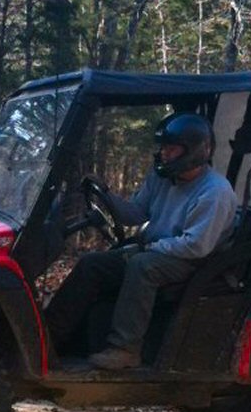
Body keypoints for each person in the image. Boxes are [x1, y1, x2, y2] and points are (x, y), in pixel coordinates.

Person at [44, 112, 239, 370]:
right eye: (164, 148)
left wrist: (147, 248)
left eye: (172, 149)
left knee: (142, 266)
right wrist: (106, 194)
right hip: (160, 250)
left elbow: (196, 246)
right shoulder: (163, 178)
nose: (164, 154)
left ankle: (125, 349)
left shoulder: (215, 191)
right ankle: (48, 338)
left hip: (193, 261)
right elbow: (135, 213)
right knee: (93, 264)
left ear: (194, 151)